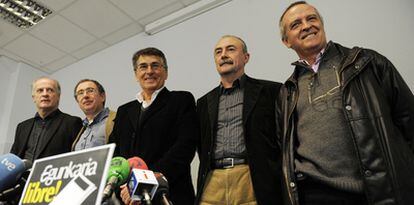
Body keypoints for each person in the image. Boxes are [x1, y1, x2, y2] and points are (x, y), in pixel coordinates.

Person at [278, 1, 414, 204]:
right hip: (315, 194)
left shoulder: (367, 62)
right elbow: (285, 147)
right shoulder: (287, 91)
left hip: (375, 191)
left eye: (312, 18)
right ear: (286, 41)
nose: (307, 26)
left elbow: (408, 119)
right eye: (296, 24)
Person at [196, 35, 283, 205]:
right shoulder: (203, 102)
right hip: (213, 181)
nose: (223, 55)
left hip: (251, 178)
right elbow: (201, 144)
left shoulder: (271, 91)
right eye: (218, 52)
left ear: (246, 57)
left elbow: (282, 137)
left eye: (231, 49)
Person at [109, 47, 197, 205]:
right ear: (136, 74)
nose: (149, 71)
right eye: (143, 67)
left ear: (166, 72)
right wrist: (125, 186)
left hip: (170, 193)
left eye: (155, 65)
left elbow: (185, 145)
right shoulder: (124, 111)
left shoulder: (181, 100)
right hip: (127, 197)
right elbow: (115, 152)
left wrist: (143, 181)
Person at [10, 76, 82, 161]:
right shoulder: (22, 127)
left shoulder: (72, 122)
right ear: (34, 97)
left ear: (58, 96)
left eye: (50, 90)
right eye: (40, 90)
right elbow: (13, 158)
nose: (45, 94)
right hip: (23, 174)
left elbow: (77, 158)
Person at [72, 79, 116, 151]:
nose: (85, 95)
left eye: (90, 90)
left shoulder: (117, 119)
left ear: (102, 96)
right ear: (78, 102)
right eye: (80, 93)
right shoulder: (78, 128)